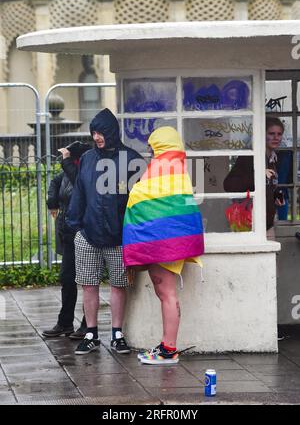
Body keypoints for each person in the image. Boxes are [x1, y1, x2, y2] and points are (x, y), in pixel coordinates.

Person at [123, 126, 205, 365]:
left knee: (166, 293)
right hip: (172, 240)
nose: (149, 151)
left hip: (161, 243)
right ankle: (166, 345)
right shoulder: (179, 169)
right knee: (166, 293)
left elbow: (140, 198)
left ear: (159, 146)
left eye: (152, 146)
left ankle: (169, 350)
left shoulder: (159, 168)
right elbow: (181, 204)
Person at [66, 108, 145, 355]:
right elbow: (79, 192)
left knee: (118, 285)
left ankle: (117, 334)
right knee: (88, 284)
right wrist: (75, 225)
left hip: (120, 237)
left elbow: (140, 199)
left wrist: (135, 231)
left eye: (101, 132)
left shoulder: (132, 159)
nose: (97, 137)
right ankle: (91, 334)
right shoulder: (88, 158)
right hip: (89, 235)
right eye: (94, 132)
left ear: (112, 132)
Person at [43, 141, 91, 339]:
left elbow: (78, 182)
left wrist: (67, 162)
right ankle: (65, 323)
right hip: (68, 233)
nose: (64, 160)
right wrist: (52, 200)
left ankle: (88, 326)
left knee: (89, 281)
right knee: (67, 278)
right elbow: (56, 182)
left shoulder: (85, 173)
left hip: (86, 233)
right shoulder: (66, 174)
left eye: (68, 157)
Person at [223, 117, 286, 238]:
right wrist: (258, 175)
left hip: (266, 222)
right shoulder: (249, 157)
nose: (276, 137)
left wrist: (276, 194)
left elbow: (266, 185)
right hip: (249, 223)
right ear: (262, 134)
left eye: (279, 134)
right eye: (271, 133)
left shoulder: (272, 157)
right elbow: (229, 184)